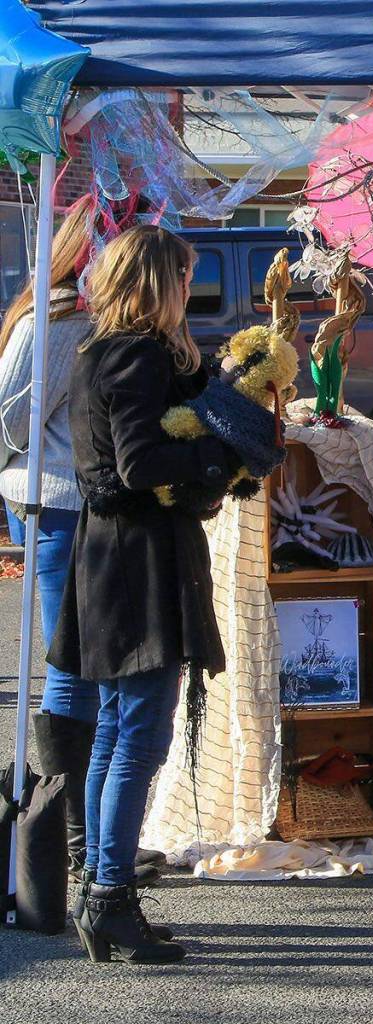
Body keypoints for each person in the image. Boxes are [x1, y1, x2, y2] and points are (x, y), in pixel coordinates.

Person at [49, 224, 239, 965]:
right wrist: (218, 455)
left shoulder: (101, 348)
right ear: (158, 283)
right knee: (138, 736)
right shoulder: (136, 354)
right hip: (137, 559)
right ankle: (108, 896)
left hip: (111, 554)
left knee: (116, 730)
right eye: (184, 277)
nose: (190, 288)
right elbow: (138, 463)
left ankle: (102, 893)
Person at [0, 194, 166, 888]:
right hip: (59, 502)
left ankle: (89, 839)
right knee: (74, 663)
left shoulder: (86, 319)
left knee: (91, 663)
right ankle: (73, 839)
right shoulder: (58, 320)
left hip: (80, 501)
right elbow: (10, 420)